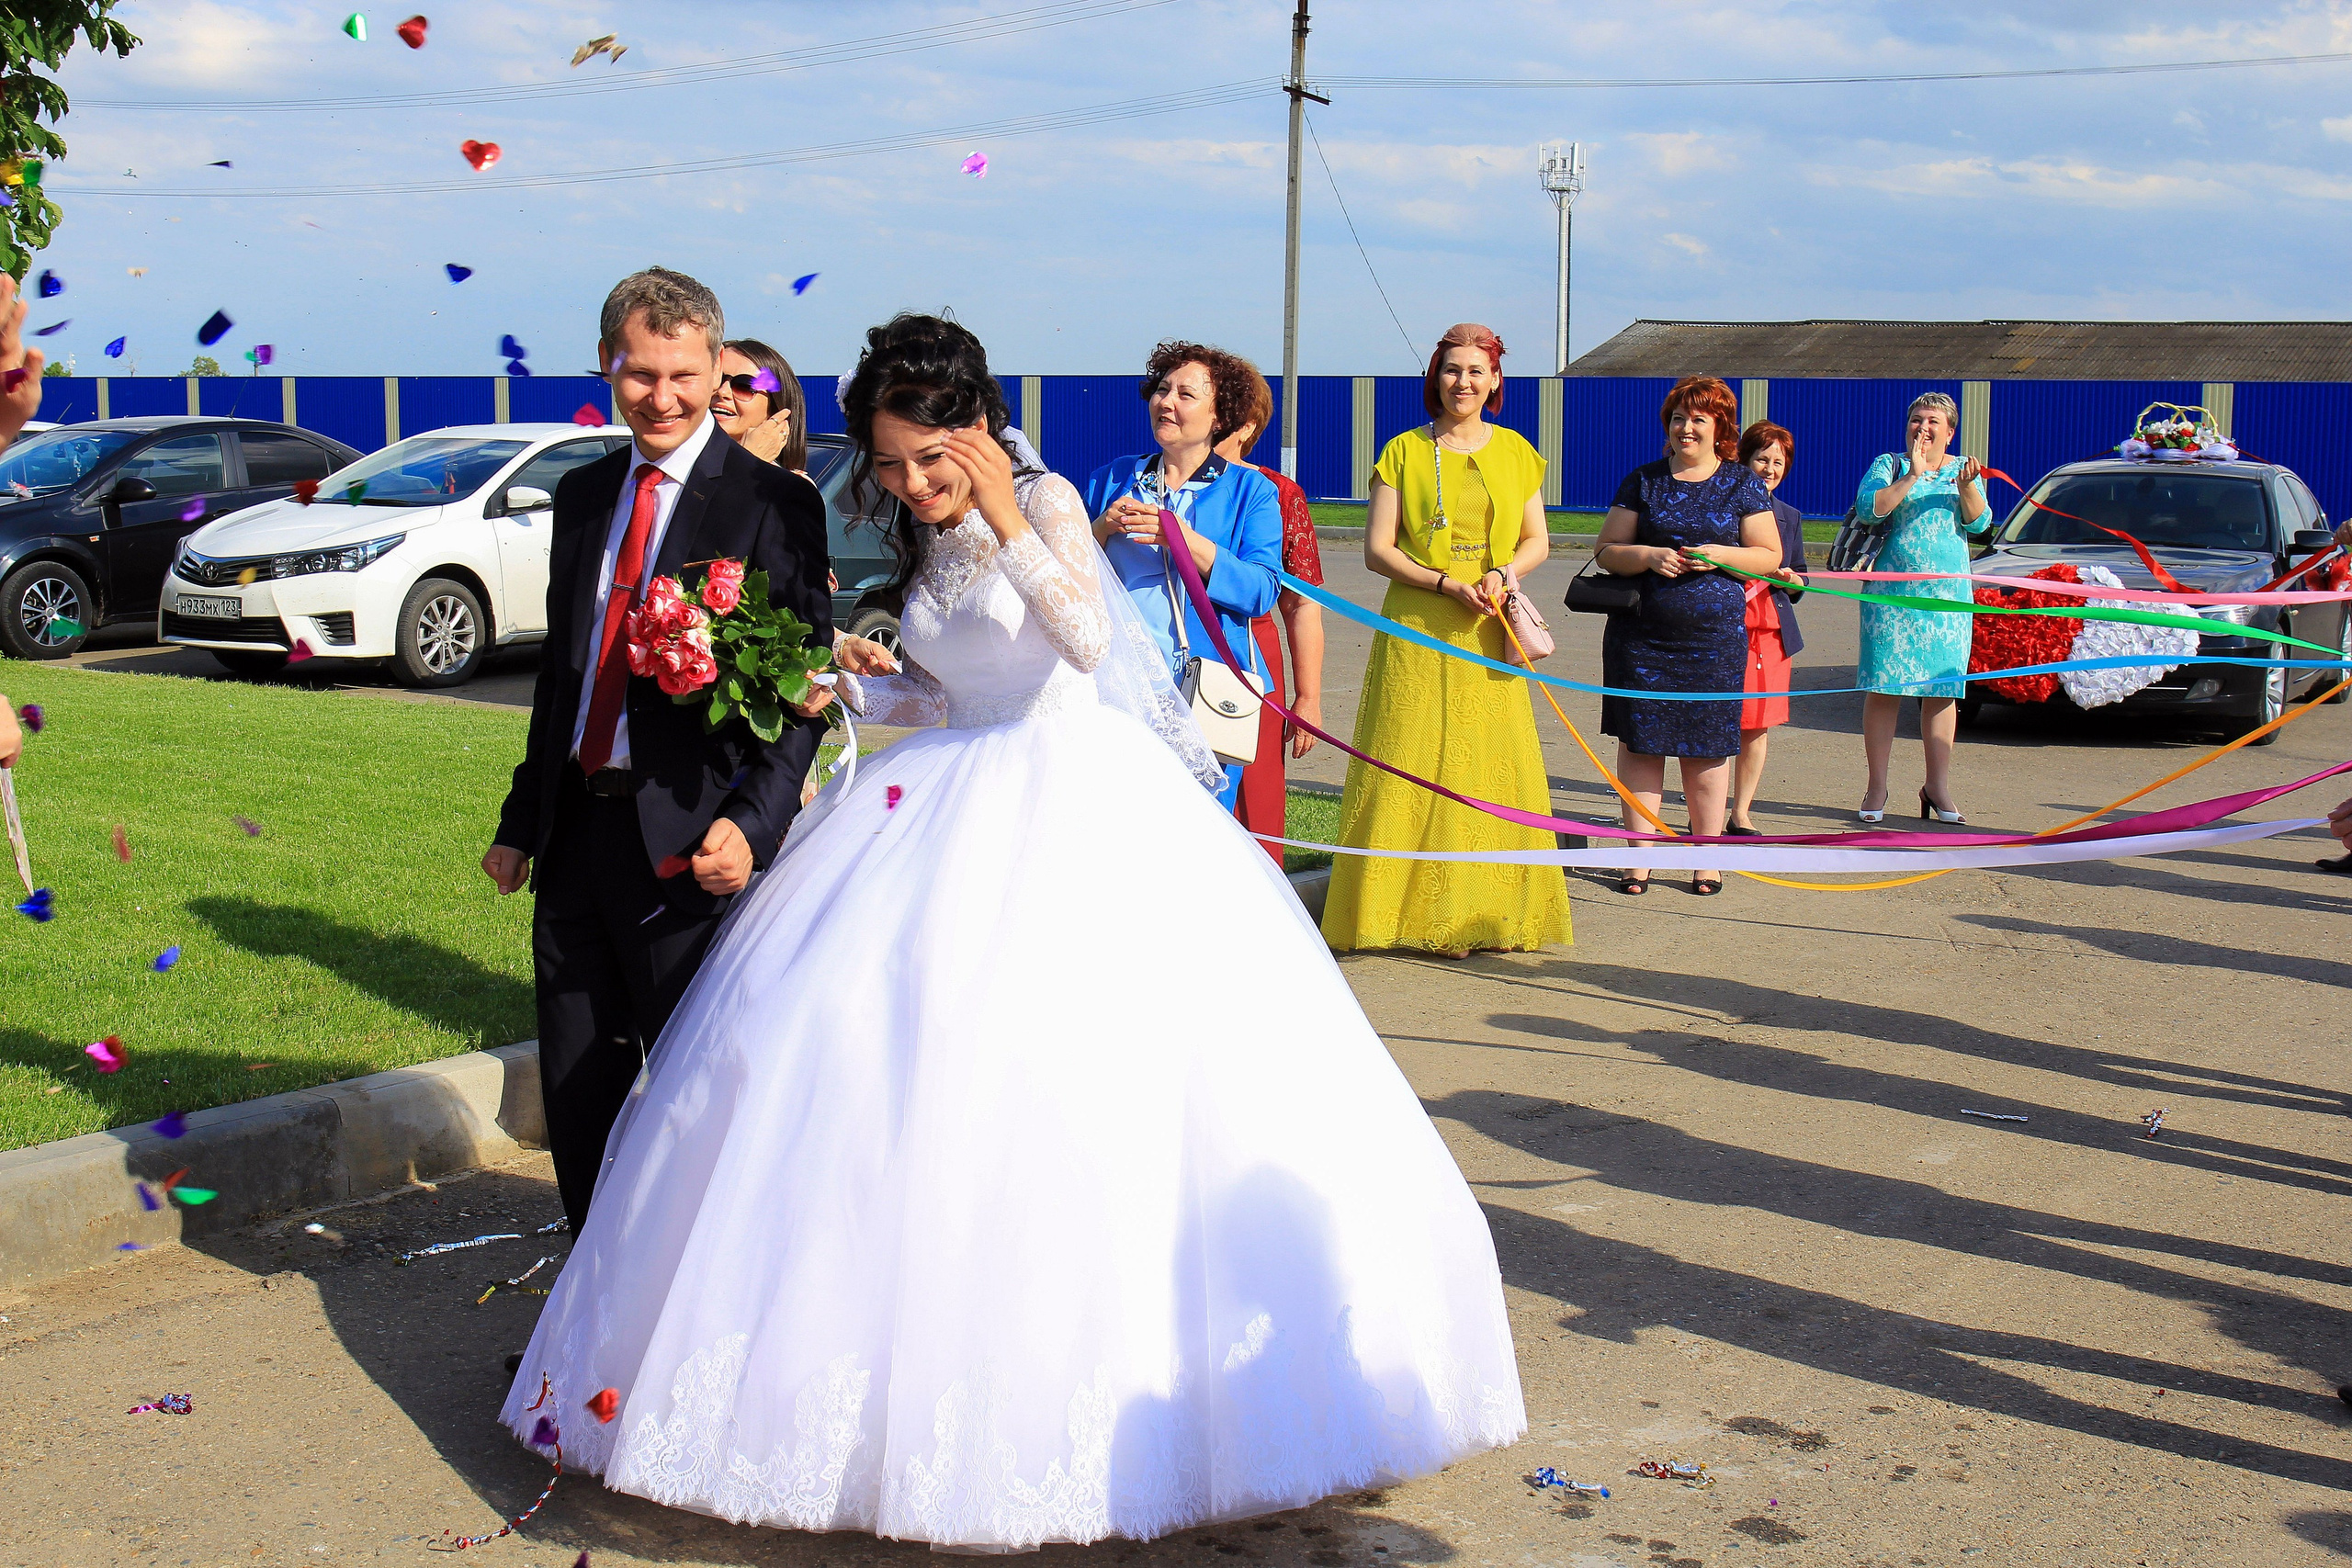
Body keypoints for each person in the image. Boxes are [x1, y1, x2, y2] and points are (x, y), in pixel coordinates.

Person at [499, 314, 1525, 1549]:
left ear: (976, 431)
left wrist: (1003, 510)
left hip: (1071, 806)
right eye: (890, 467)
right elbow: (956, 692)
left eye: (928, 460)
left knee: (1069, 1092)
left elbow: (1083, 643)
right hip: (945, 796)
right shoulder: (925, 530)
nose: (910, 486)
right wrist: (861, 679)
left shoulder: (1039, 498)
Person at [480, 268, 833, 1235]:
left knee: (695, 1101)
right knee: (579, 1094)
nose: (663, 397)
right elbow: (565, 674)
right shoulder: (585, 494)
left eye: (684, 375)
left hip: (692, 846)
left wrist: (752, 825)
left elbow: (803, 693)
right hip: (576, 836)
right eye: (641, 374)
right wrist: (521, 822)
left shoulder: (771, 503)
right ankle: (590, 1307)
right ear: (607, 365)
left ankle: (686, 1305)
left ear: (718, 368)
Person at [1320, 321, 1569, 953]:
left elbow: (1538, 540)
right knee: (1410, 756)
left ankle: (1484, 915)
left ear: (1495, 380)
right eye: (1452, 369)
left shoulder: (1517, 451)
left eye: (1476, 371)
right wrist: (1442, 582)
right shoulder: (1402, 449)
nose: (1463, 381)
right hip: (1418, 621)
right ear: (1436, 377)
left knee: (1488, 763)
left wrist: (1503, 573)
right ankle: (1397, 917)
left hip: (1489, 621)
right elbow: (1378, 549)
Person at [1593, 377, 1784, 895]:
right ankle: (1638, 860)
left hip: (1713, 643)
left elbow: (1770, 556)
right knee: (1641, 746)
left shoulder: (1741, 484)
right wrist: (1648, 555)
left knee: (1707, 750)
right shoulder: (1643, 480)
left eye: (1699, 419)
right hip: (1641, 641)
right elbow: (1606, 550)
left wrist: (1721, 555)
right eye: (1679, 418)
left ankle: (1706, 859)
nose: (1686, 428)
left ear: (1720, 428)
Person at [1082, 342, 1283, 808]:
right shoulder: (1110, 479)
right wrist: (1101, 528)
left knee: (1197, 828)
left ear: (1219, 416)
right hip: (1116, 684)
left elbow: (1261, 590)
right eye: (1162, 389)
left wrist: (1184, 540)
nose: (1166, 402)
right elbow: (1065, 575)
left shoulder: (1251, 490)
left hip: (1204, 689)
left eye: (1186, 394)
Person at [1856, 392, 1991, 823]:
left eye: (1933, 422)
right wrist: (1913, 475)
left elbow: (1980, 523)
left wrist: (1967, 486)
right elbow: (1870, 510)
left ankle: (1937, 787)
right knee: (1884, 689)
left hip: (1947, 602)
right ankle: (1877, 786)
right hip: (1891, 601)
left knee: (1942, 692)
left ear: (1950, 432)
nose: (1923, 428)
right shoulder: (1889, 465)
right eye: (1917, 419)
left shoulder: (1962, 469)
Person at [1214, 363, 1324, 864]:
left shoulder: (1279, 494)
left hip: (1249, 655)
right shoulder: (1141, 481)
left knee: (1251, 799)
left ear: (1246, 425)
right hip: (1159, 649)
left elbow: (1301, 604)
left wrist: (1309, 698)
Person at [1727, 420, 1809, 835]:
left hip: (1772, 638)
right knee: (1720, 720)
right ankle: (1706, 809)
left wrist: (1792, 580)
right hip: (1728, 631)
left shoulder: (1790, 516)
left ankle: (1740, 813)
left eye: (1779, 462)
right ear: (1744, 460)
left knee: (1757, 727)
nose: (1770, 469)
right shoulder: (1724, 507)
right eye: (1762, 459)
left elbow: (1801, 577)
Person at [712, 337, 807, 473]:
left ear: (775, 410)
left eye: (744, 386)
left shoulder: (789, 484)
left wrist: (747, 462)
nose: (722, 392)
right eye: (716, 379)